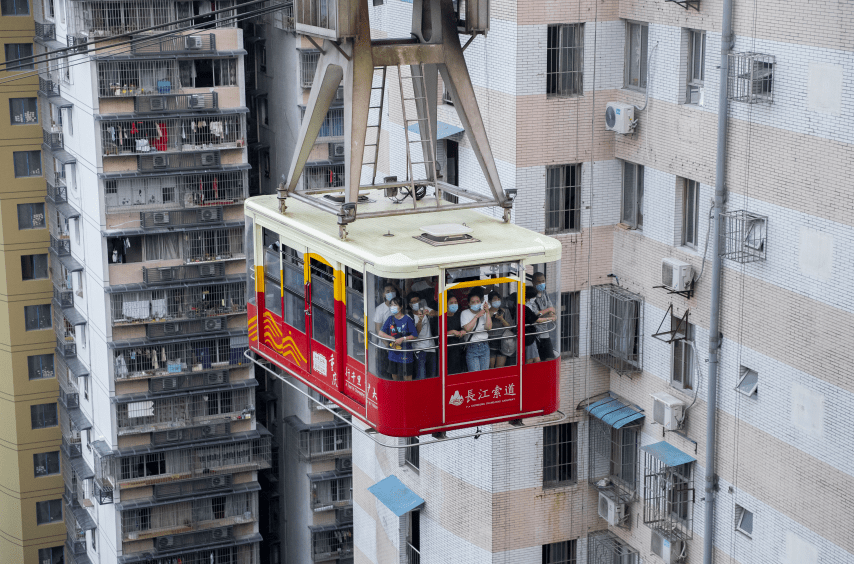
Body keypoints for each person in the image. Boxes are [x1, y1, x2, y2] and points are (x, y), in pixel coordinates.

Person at [378, 297, 417, 381]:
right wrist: (391, 338)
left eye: (395, 305)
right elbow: (380, 333)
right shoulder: (390, 319)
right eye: (391, 305)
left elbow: (415, 335)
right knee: (395, 377)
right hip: (393, 354)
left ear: (401, 307)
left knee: (407, 377)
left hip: (405, 354)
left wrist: (403, 339)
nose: (392, 307)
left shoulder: (407, 319)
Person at [460, 289, 492, 372]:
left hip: (485, 345)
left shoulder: (484, 312)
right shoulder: (464, 313)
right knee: (475, 375)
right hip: (472, 346)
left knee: (485, 374)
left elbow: (488, 327)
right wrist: (476, 316)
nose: (475, 303)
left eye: (477, 301)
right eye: (473, 302)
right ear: (469, 303)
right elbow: (467, 329)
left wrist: (487, 312)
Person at [527, 273, 557, 361]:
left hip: (545, 332)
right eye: (539, 282)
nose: (541, 284)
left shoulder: (544, 292)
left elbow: (550, 307)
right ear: (533, 283)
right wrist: (548, 311)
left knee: (549, 358)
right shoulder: (531, 296)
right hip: (535, 334)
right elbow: (536, 315)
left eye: (543, 281)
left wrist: (551, 313)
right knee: (537, 360)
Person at [408, 292, 436, 379]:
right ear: (410, 304)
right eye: (413, 302)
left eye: (418, 300)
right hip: (419, 350)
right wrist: (420, 320)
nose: (416, 303)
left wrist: (431, 313)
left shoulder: (424, 309)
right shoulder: (409, 317)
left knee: (432, 376)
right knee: (421, 377)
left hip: (431, 348)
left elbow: (435, 313)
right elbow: (415, 333)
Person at [373, 283, 398, 378]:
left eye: (392, 291)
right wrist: (387, 345)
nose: (390, 293)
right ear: (383, 294)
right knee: (385, 374)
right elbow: (378, 329)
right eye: (387, 291)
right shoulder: (380, 309)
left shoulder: (399, 307)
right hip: (384, 347)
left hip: (398, 345)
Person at [487, 291, 513, 368]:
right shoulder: (486, 313)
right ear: (489, 301)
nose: (497, 301)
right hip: (490, 341)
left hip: (503, 342)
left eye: (499, 299)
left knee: (500, 366)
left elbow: (509, 326)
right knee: (491, 365)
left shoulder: (505, 311)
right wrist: (489, 315)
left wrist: (502, 319)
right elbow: (485, 327)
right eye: (495, 299)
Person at [446, 295, 466, 375]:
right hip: (446, 351)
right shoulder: (440, 317)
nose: (454, 304)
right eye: (451, 303)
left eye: (455, 302)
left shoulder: (459, 315)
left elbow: (464, 327)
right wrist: (450, 332)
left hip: (458, 349)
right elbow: (436, 333)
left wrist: (463, 331)